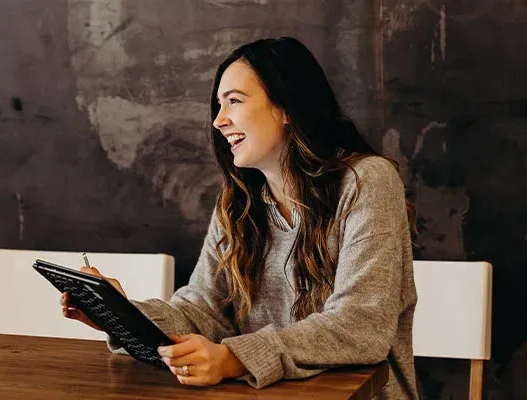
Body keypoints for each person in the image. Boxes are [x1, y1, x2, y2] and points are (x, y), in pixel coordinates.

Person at [60, 36, 419, 399]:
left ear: (286, 108)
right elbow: (202, 310)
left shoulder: (367, 182)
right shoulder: (239, 203)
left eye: (234, 100)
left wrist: (234, 359)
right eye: (219, 104)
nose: (218, 121)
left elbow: (360, 327)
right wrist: (123, 317)